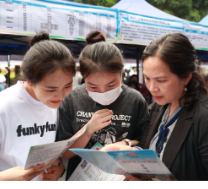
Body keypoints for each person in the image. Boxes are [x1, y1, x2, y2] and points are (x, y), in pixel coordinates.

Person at [102, 33, 208, 181]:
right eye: (147, 78)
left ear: (186, 77)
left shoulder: (206, 119)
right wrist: (127, 151)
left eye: (161, 80)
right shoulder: (158, 107)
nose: (152, 88)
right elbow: (147, 147)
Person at [56, 31, 150, 180]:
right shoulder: (71, 99)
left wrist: (126, 144)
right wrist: (88, 129)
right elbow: (66, 153)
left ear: (121, 74)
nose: (103, 92)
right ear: (83, 78)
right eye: (92, 87)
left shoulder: (135, 100)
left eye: (111, 85)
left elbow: (145, 143)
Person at [0, 32, 76, 181]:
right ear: (29, 80)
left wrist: (59, 167)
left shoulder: (53, 103)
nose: (61, 96)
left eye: (68, 85)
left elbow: (52, 151)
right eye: (51, 89)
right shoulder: (4, 107)